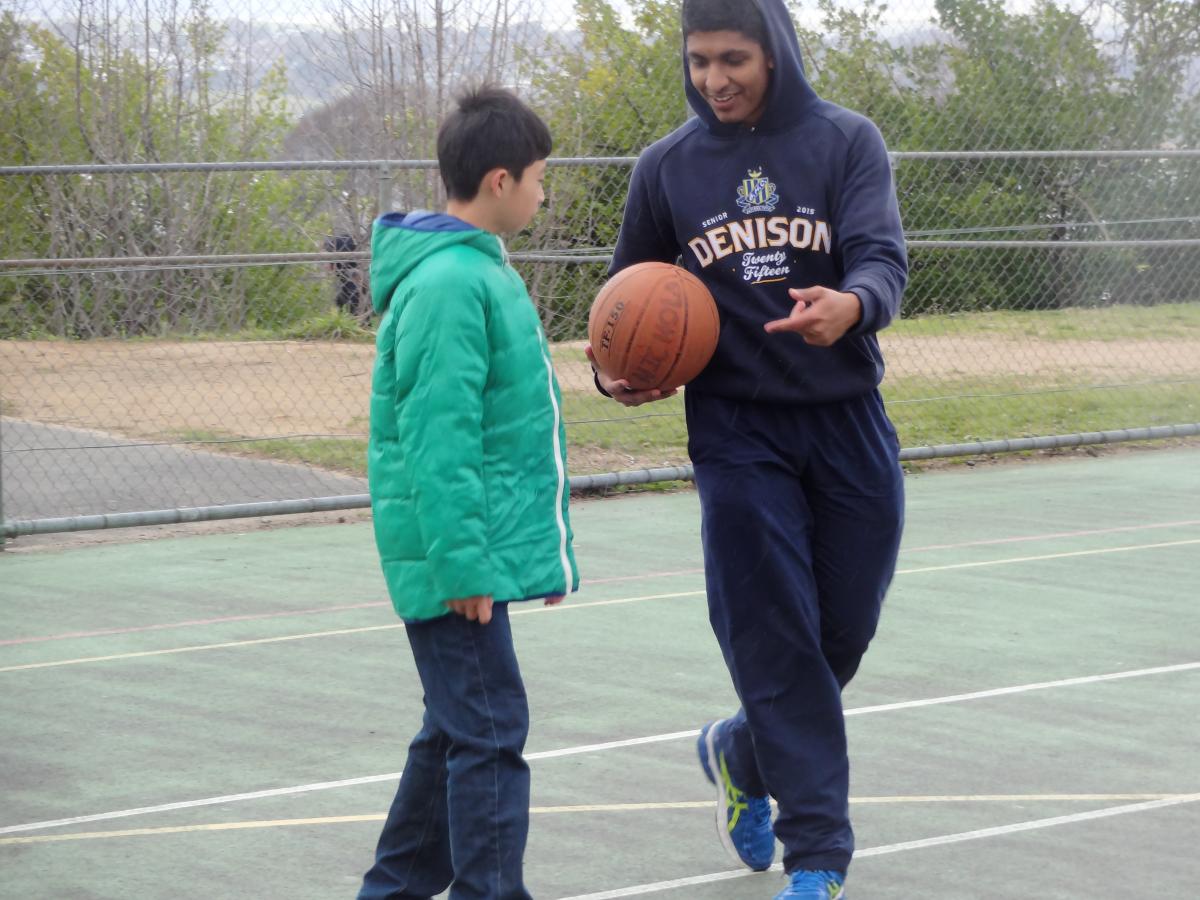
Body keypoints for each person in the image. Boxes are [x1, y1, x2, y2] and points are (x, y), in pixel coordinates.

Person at [589, 1, 907, 897]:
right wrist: (617, 378)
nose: (715, 80)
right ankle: (819, 858)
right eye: (698, 62)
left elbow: (882, 258)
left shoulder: (848, 142)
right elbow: (628, 302)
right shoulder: (666, 169)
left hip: (845, 420)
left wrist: (851, 305)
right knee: (775, 642)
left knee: (841, 630)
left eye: (733, 59)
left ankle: (740, 749)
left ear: (776, 52)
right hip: (736, 434)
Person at [357, 85, 579, 900]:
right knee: (489, 735)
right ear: (499, 180)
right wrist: (464, 570)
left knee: (454, 734)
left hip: (469, 556)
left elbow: (504, 431)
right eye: (539, 176)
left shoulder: (473, 272)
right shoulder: (451, 283)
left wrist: (525, 559)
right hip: (452, 567)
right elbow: (439, 442)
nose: (542, 191)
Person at [324, 232, 364, 316]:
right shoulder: (339, 265)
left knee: (351, 298)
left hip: (352, 281)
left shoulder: (347, 265)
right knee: (340, 300)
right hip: (348, 279)